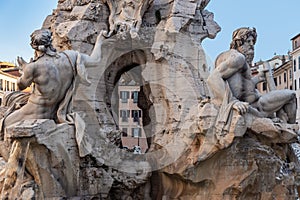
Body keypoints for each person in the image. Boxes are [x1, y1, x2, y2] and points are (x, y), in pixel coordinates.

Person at [2, 28, 107, 129]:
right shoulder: (71, 57)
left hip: (34, 112)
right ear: (50, 41)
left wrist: (24, 69)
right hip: (53, 112)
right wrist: (100, 39)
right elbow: (95, 60)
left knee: (3, 123)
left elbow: (21, 85)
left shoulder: (33, 67)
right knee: (10, 97)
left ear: (33, 46)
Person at [207, 27, 296, 124]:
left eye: (253, 41)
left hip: (255, 103)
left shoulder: (238, 60)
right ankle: (291, 128)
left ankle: (286, 128)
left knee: (284, 99)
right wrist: (233, 102)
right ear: (238, 43)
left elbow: (242, 87)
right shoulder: (238, 58)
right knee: (291, 95)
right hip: (258, 105)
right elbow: (213, 78)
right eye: (248, 41)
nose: (252, 45)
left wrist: (258, 78)